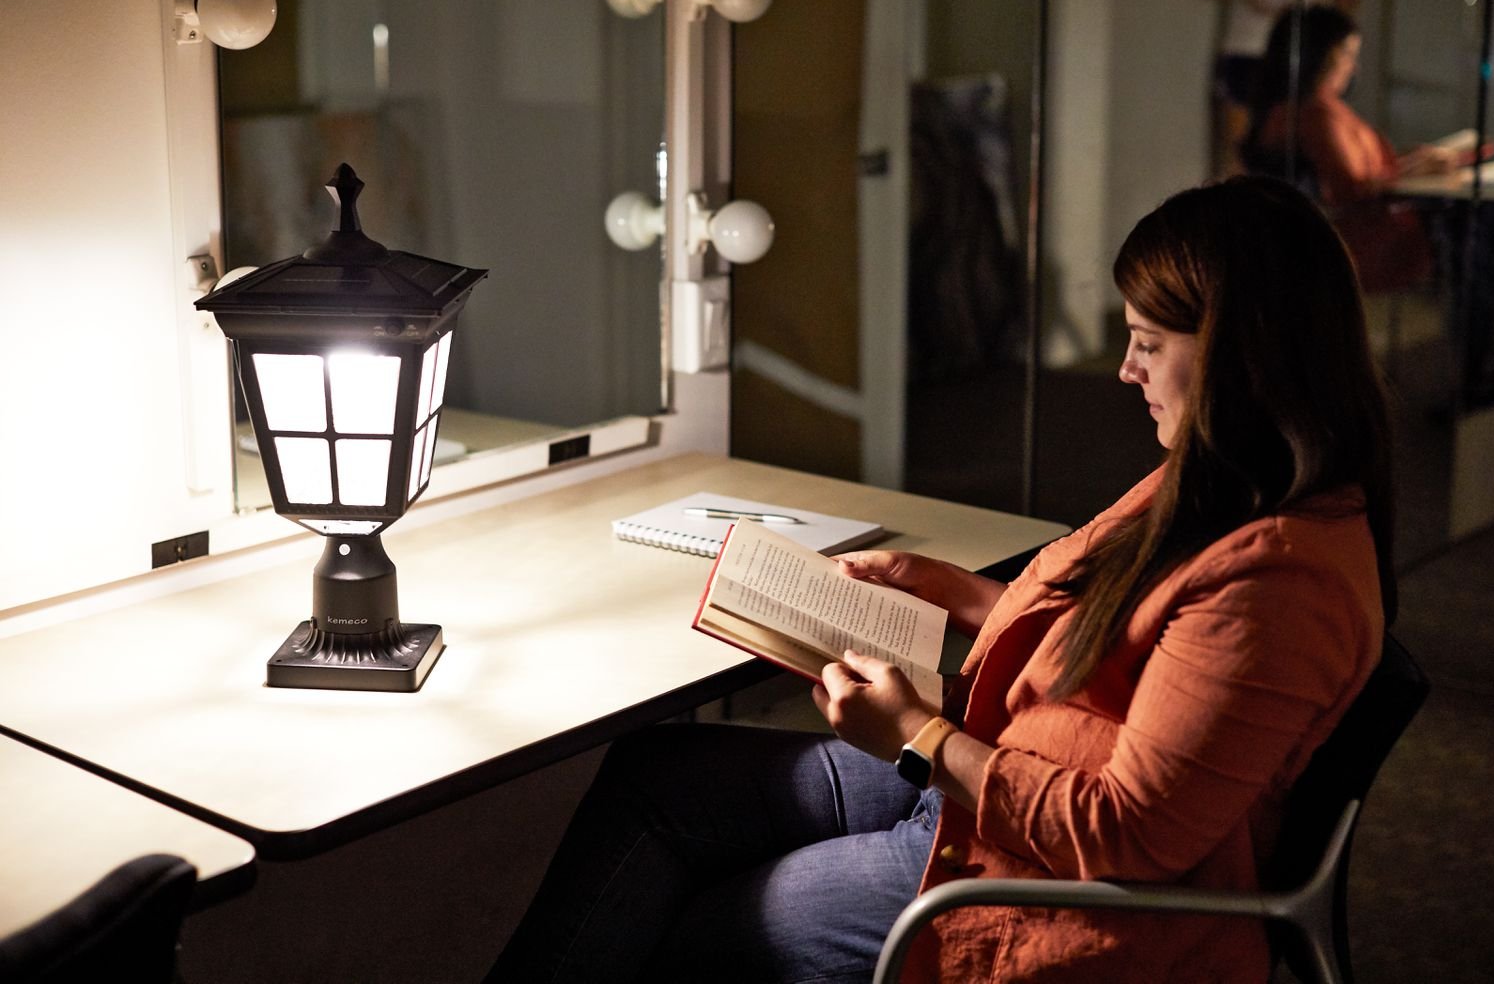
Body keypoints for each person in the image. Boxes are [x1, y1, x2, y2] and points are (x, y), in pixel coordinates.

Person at [487, 176, 1396, 983]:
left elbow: (1131, 834)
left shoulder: (1279, 585)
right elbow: (1139, 655)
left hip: (1037, 866)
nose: (1125, 371)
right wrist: (959, 592)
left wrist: (917, 737)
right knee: (655, 776)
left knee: (700, 932)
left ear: (1243, 355)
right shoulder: (1225, 479)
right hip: (1001, 764)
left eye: (1148, 344)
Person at [1245, 3, 1458, 292]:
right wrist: (1411, 172)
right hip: (1352, 240)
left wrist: (1408, 164)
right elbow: (1348, 189)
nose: (1353, 66)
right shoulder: (1314, 114)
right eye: (1347, 53)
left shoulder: (1306, 110)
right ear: (1323, 54)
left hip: (1347, 234)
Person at [1201, 0, 1361, 179]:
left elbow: (1349, 2)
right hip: (1247, 50)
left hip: (1307, 54)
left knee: (1306, 160)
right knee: (1239, 156)